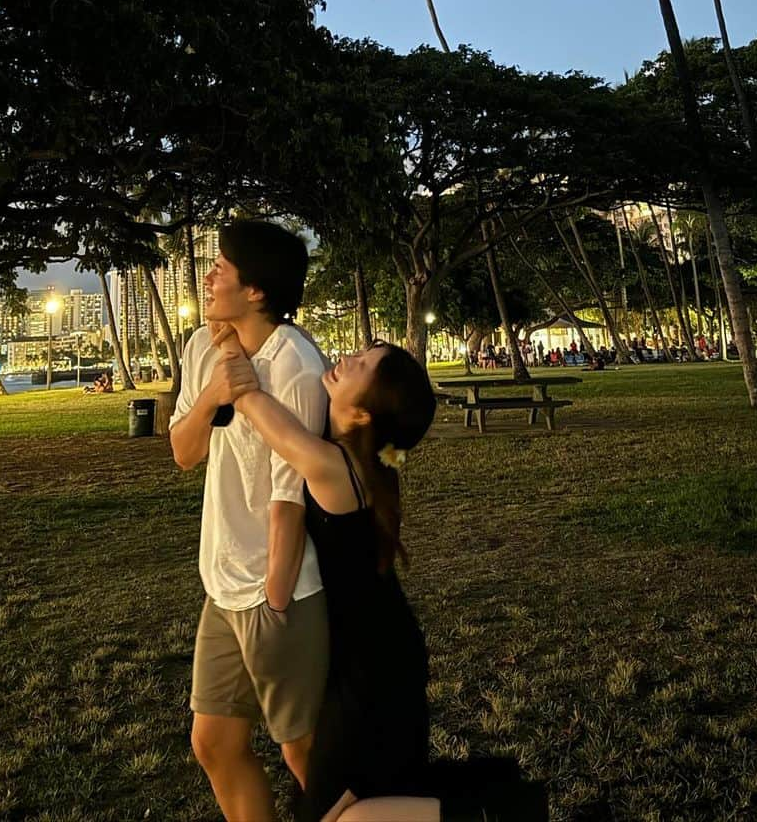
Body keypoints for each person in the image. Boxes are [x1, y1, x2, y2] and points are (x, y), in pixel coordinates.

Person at [212, 325, 545, 821]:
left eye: (364, 364)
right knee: (360, 795)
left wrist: (230, 342)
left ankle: (494, 808)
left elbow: (254, 405)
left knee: (334, 813)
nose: (351, 358)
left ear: (363, 412)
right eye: (364, 352)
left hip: (374, 668)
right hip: (371, 653)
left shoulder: (332, 466)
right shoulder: (362, 463)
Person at [170, 220, 329, 822]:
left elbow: (292, 494)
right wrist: (214, 392)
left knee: (303, 751)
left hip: (277, 587)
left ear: (257, 289)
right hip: (222, 584)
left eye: (221, 267)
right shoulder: (203, 346)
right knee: (214, 742)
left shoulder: (296, 364)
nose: (207, 277)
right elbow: (184, 452)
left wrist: (277, 597)